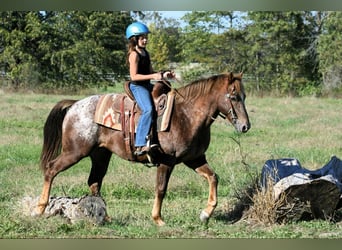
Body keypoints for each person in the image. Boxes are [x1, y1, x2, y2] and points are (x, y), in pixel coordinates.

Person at [125, 21, 175, 156]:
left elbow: (151, 71)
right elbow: (134, 76)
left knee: (168, 93)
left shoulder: (145, 53)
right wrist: (153, 75)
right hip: (138, 87)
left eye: (146, 37)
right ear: (134, 39)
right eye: (142, 37)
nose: (145, 40)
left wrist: (163, 75)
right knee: (148, 109)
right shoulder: (134, 55)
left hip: (147, 84)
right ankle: (140, 144)